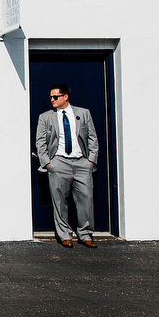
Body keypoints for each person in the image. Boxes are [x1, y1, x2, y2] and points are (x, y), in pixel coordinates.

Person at [34, 83, 99, 249]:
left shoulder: (83, 113)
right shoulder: (46, 117)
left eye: (55, 97)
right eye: (51, 97)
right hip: (59, 162)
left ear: (65, 97)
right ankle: (64, 235)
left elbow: (92, 138)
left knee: (86, 200)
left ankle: (85, 234)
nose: (52, 100)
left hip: (81, 162)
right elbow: (40, 141)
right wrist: (48, 163)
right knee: (59, 201)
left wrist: (91, 161)